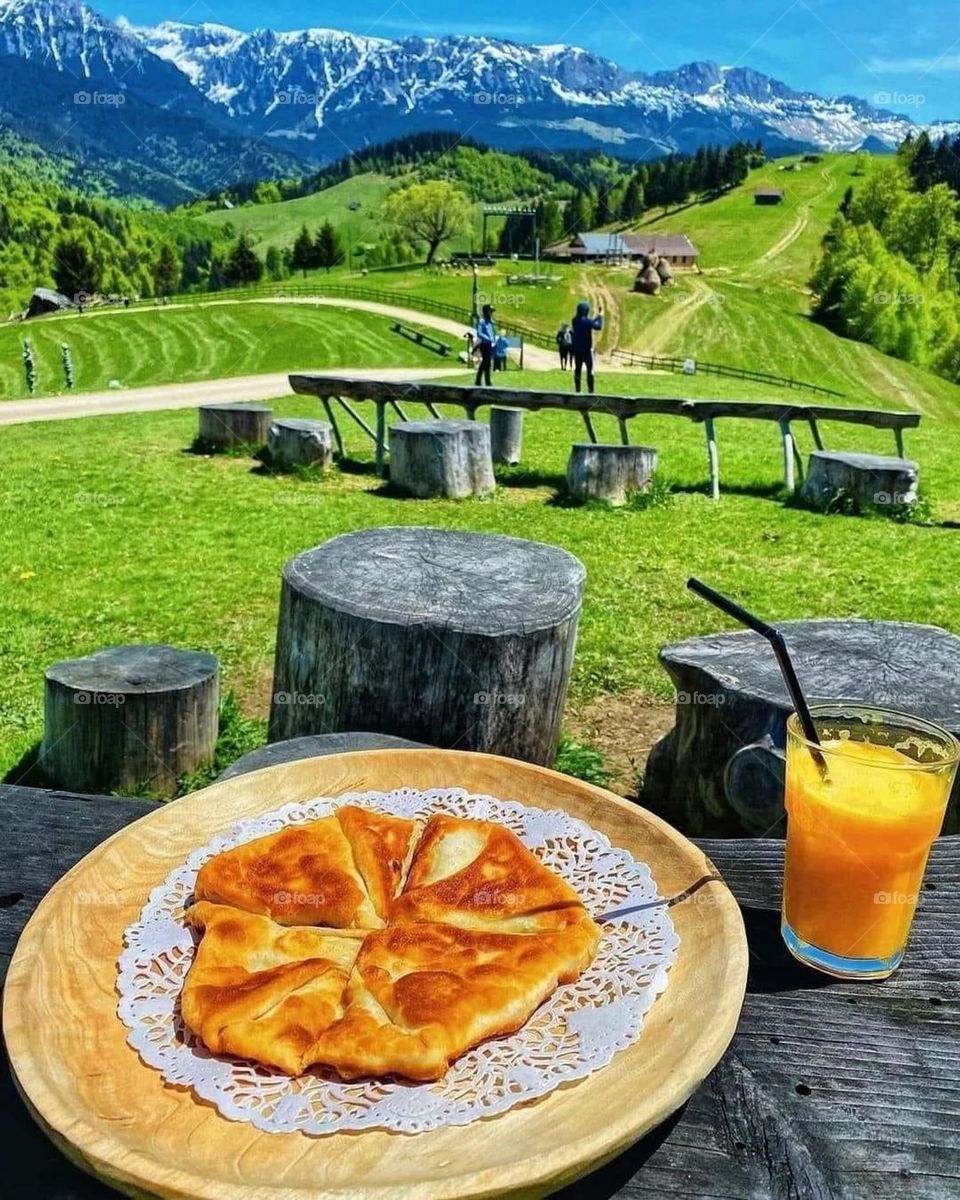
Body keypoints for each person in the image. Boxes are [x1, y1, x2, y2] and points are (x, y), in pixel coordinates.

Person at [570, 300, 603, 394]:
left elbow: (590, 322)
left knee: (578, 370)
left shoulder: (574, 320)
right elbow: (598, 326)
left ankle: (578, 390)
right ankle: (591, 391)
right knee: (590, 370)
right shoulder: (587, 322)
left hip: (577, 350)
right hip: (586, 351)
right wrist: (600, 316)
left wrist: (596, 318)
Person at [474, 304, 496, 386]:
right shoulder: (482, 321)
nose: (491, 313)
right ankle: (480, 381)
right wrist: (488, 338)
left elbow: (492, 332)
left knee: (487, 363)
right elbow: (479, 333)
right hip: (484, 344)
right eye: (490, 311)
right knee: (486, 362)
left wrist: (493, 340)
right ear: (486, 312)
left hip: (490, 344)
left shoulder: (490, 322)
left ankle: (486, 381)